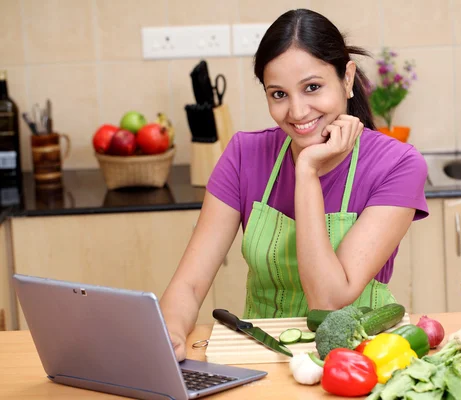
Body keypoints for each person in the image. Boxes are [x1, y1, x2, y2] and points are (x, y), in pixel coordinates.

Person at [160, 8, 429, 361]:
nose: (298, 112)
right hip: (261, 355)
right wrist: (172, 334)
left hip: (361, 357)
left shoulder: (398, 164)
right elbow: (190, 285)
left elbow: (328, 299)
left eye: (313, 87)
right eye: (279, 94)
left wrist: (306, 172)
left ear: (347, 79)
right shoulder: (244, 155)